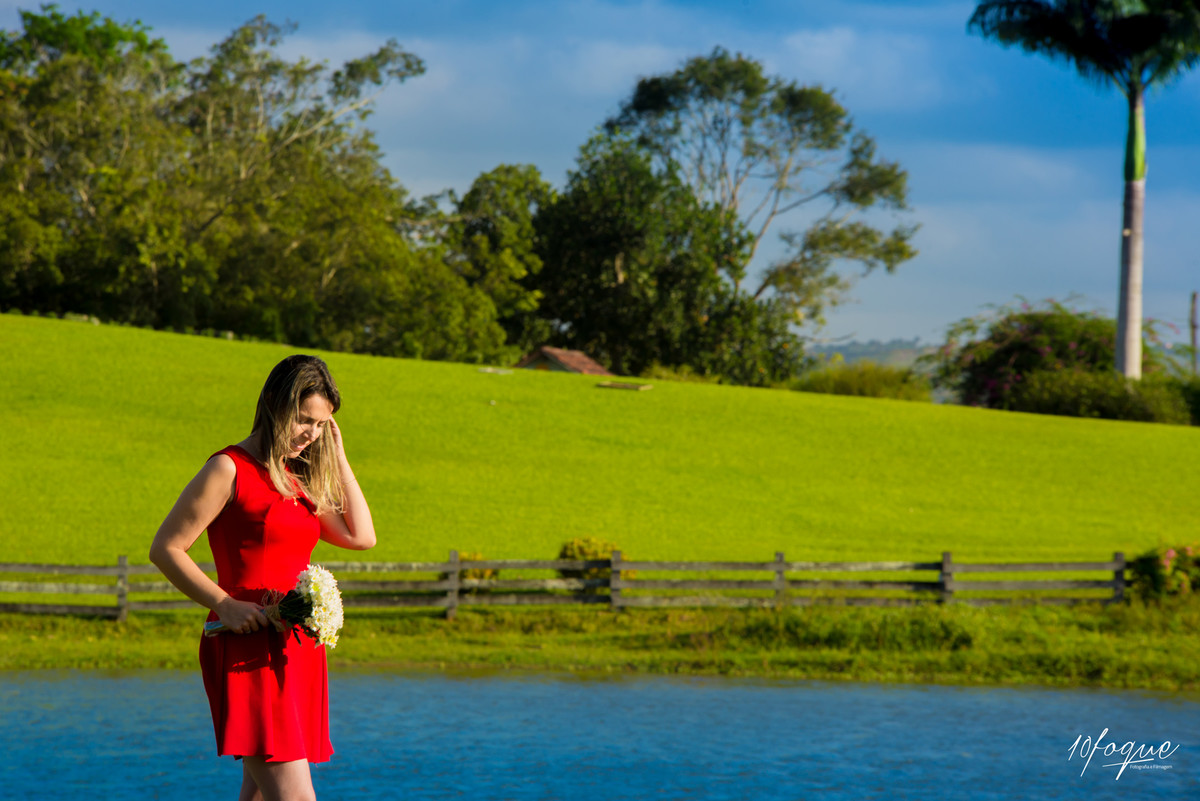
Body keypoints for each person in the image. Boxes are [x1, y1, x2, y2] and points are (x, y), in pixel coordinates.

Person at [150, 355, 376, 801]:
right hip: (244, 645)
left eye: (320, 424)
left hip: (296, 652)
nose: (309, 433)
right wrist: (224, 603)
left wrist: (339, 456)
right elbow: (166, 549)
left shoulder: (297, 480)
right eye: (302, 419)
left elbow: (361, 536)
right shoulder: (228, 468)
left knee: (257, 794)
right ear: (273, 402)